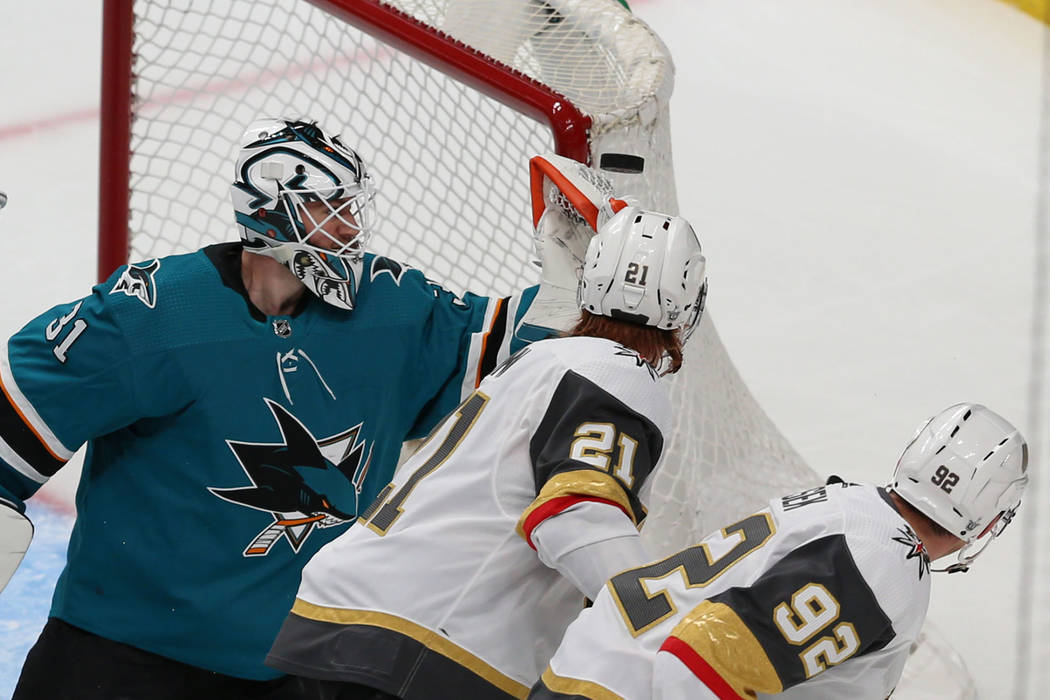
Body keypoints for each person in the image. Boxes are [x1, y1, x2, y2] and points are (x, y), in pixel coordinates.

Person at [0, 118, 579, 698]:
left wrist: (568, 279)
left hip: (290, 663)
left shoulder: (389, 309)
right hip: (120, 656)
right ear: (270, 213)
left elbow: (507, 353)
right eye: (329, 209)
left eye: (352, 207)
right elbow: (17, 421)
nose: (351, 226)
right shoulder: (155, 314)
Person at [263, 200, 710, 699]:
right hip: (426, 641)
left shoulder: (538, 357)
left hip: (337, 613)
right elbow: (578, 511)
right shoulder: (621, 377)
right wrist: (667, 624)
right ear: (686, 304)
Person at [529, 402, 1029, 700]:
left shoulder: (846, 503)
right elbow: (695, 662)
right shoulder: (886, 566)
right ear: (989, 522)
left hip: (587, 672)